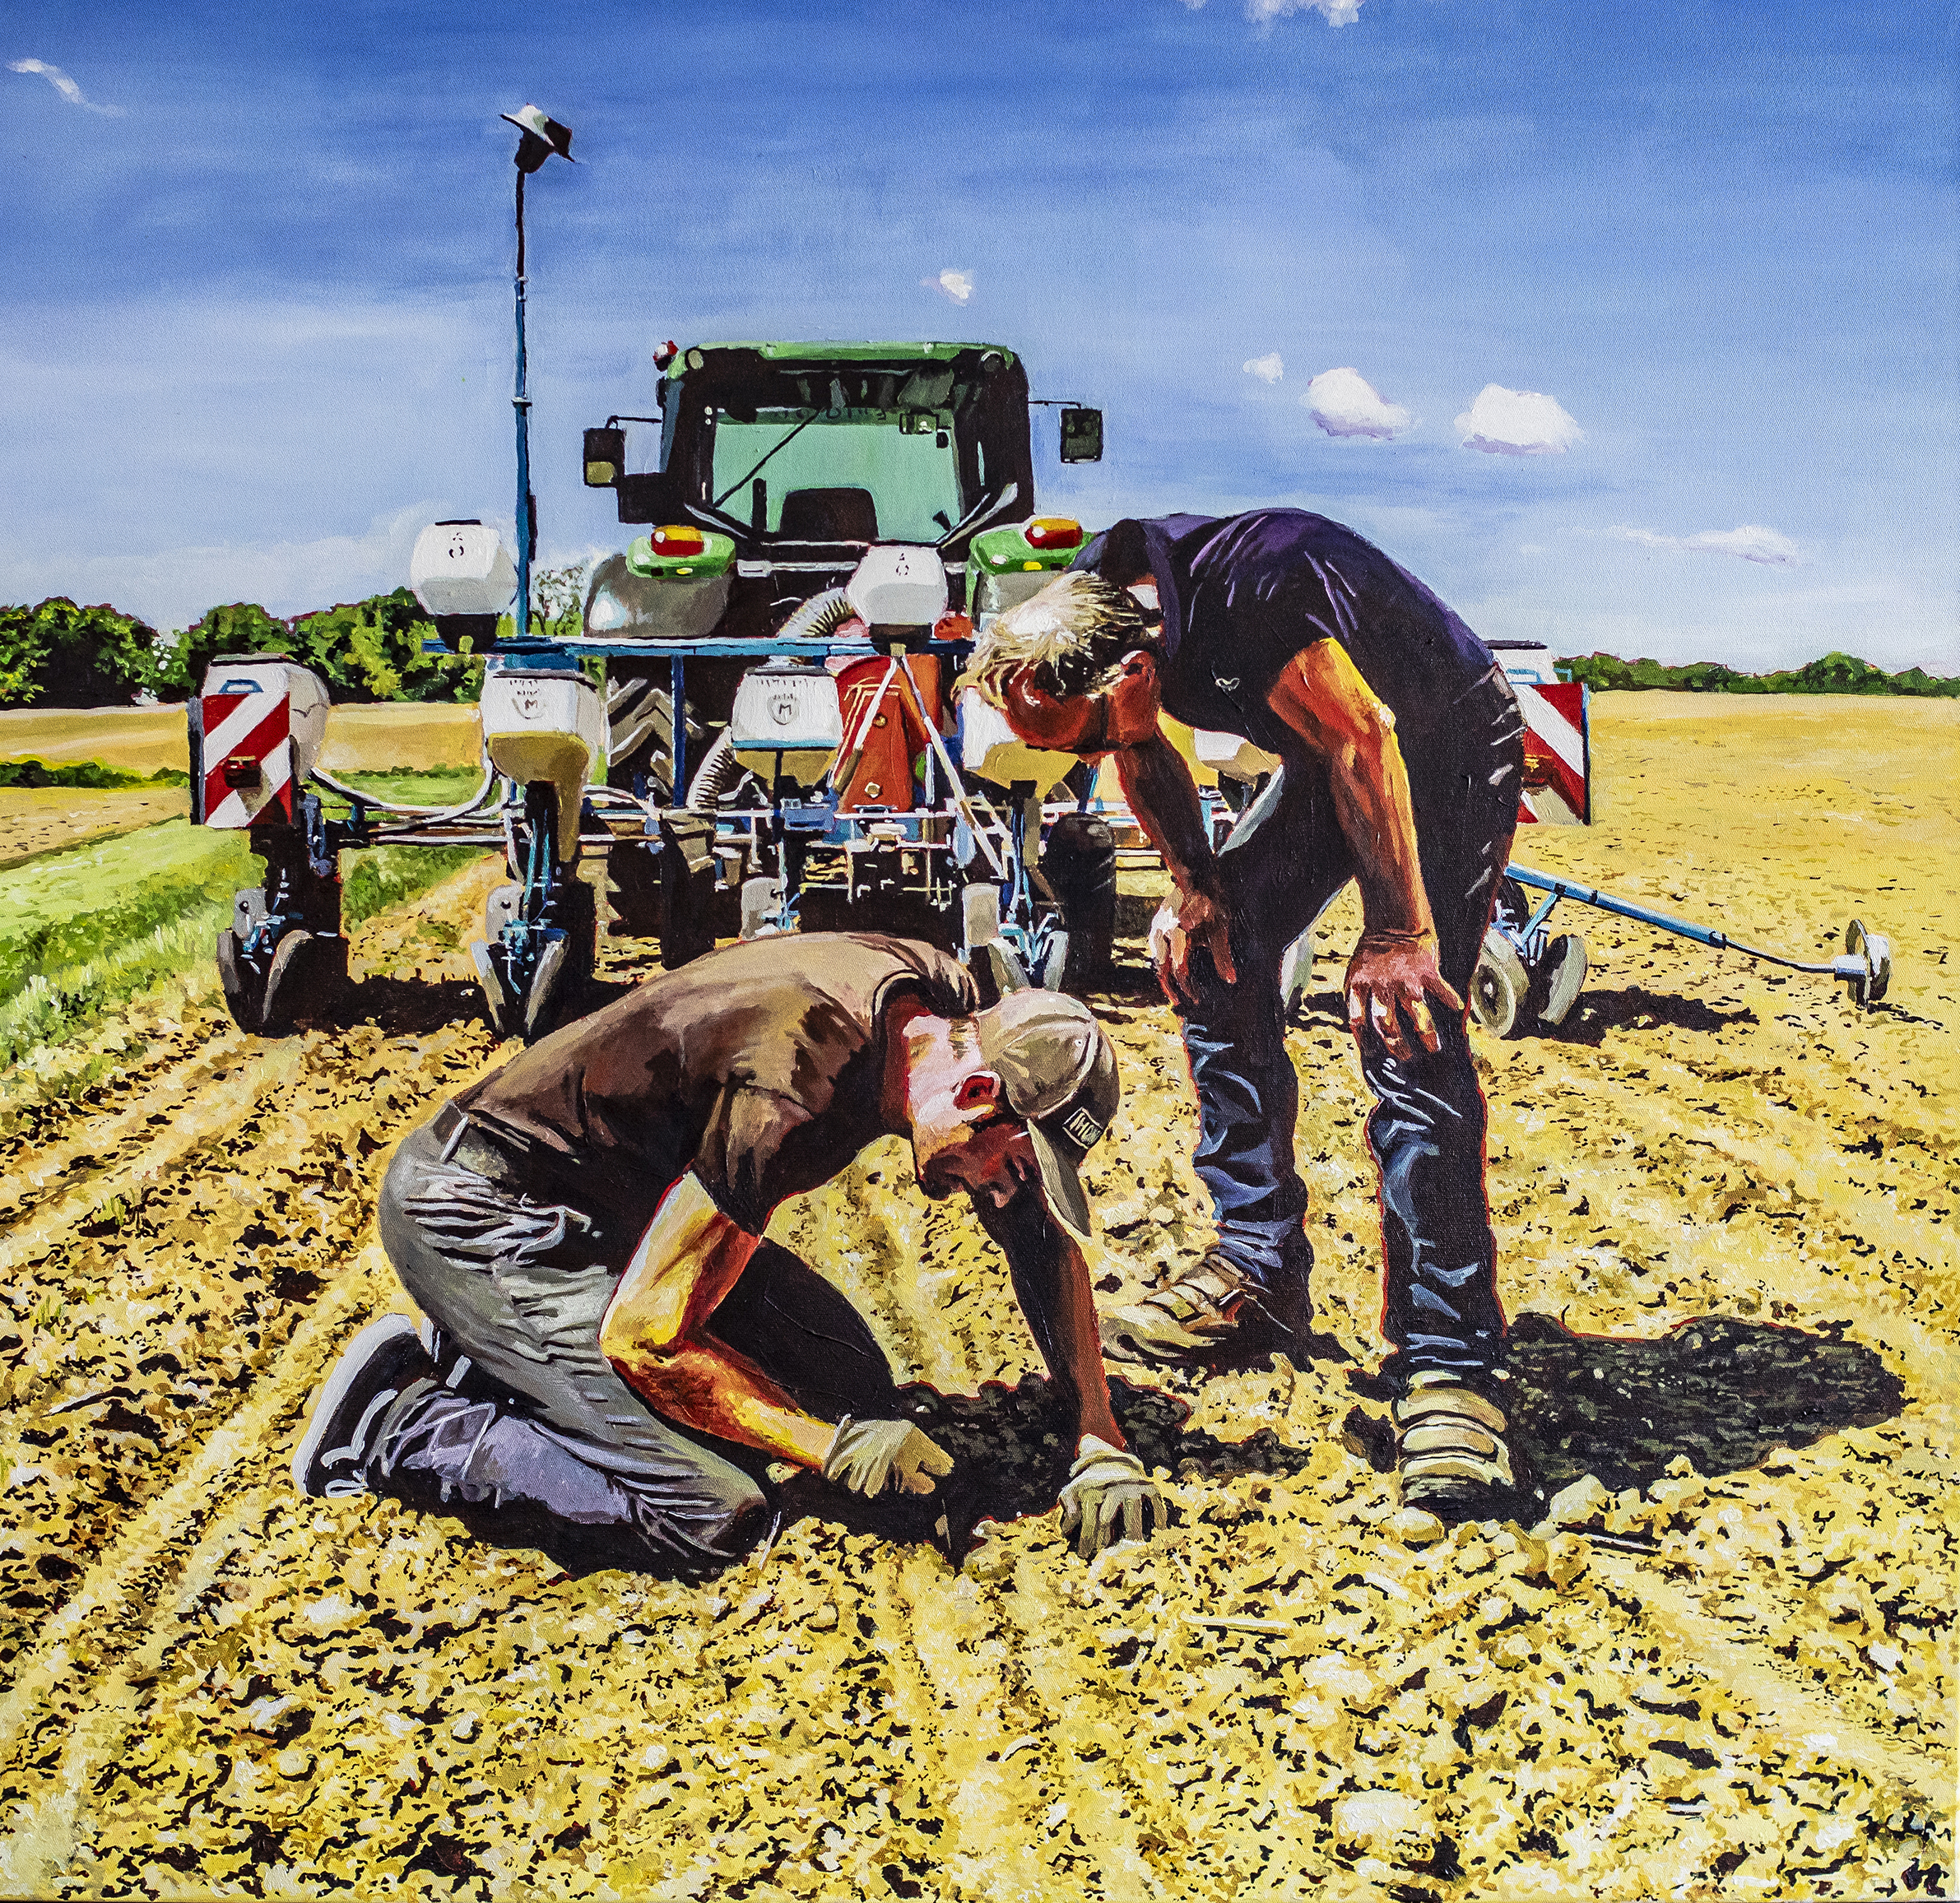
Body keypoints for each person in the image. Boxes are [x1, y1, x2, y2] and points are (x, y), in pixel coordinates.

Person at [966, 510, 1530, 1520]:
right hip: (1332, 747)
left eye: (1083, 740)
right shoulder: (1097, 596)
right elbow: (1139, 743)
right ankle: (1256, 1269)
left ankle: (1449, 1362)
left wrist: (1396, 932)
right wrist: (1194, 883)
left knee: (1405, 1014)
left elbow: (1367, 734)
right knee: (1215, 959)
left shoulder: (1257, 587)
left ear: (1133, 671)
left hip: (1437, 738)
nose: (1087, 763)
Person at [292, 933, 1164, 1571]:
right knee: (712, 1509)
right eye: (1012, 1164)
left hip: (622, 1210)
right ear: (976, 1092)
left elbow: (1034, 1234)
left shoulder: (941, 1008)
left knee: (848, 1382)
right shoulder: (793, 1081)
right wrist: (829, 1450)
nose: (1001, 1190)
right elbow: (647, 1337)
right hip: (487, 1209)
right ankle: (398, 1417)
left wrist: (1098, 1435)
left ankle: (510, 1360)